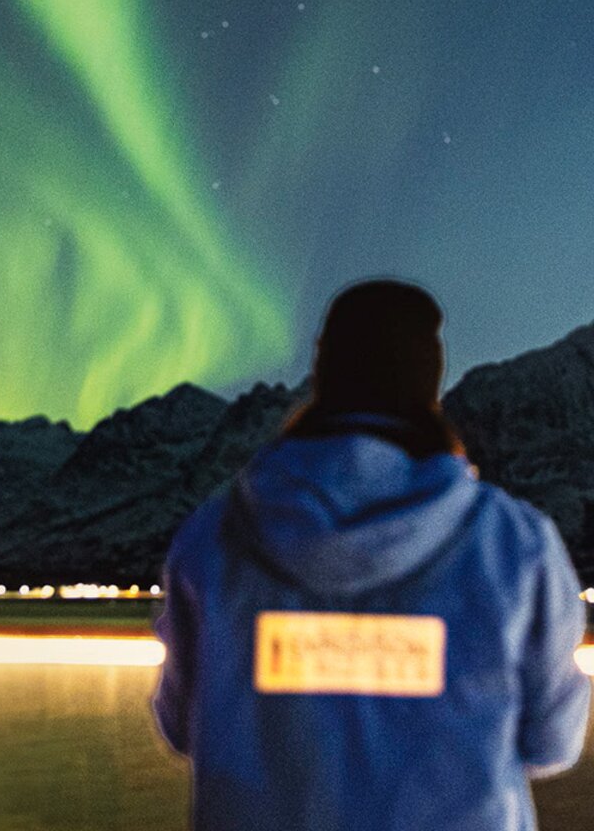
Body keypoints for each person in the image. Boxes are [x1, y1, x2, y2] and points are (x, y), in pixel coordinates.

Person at [152, 279, 589, 830]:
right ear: (431, 380)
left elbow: (181, 725)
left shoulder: (212, 537)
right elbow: (552, 741)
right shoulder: (517, 545)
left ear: (323, 372)